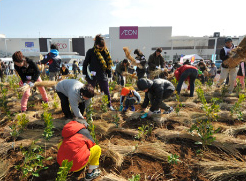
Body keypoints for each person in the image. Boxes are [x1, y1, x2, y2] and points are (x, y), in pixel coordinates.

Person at [83, 34, 114, 111]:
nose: (100, 47)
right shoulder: (90, 52)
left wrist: (109, 75)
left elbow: (108, 65)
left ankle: (109, 105)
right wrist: (84, 74)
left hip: (102, 74)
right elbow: (85, 63)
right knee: (89, 90)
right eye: (99, 45)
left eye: (101, 46)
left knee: (106, 91)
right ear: (95, 44)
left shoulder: (105, 52)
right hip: (92, 74)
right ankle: (88, 107)